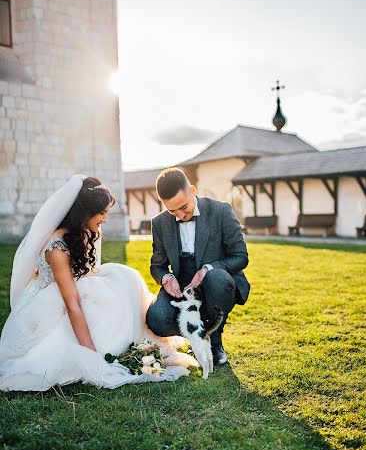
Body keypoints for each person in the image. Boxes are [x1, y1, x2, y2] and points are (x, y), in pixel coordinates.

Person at [0, 175, 192, 392]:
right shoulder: (56, 249)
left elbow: (84, 275)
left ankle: (131, 336)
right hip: (52, 306)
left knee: (126, 278)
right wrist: (90, 354)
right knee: (105, 301)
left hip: (72, 290)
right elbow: (72, 304)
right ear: (84, 213)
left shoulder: (78, 232)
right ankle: (111, 344)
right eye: (102, 213)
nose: (106, 219)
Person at [146, 167, 250, 366]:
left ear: (193, 190)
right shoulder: (159, 223)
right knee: (157, 320)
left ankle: (215, 340)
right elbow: (157, 266)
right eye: (172, 210)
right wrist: (165, 278)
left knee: (217, 280)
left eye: (183, 207)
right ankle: (198, 336)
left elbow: (241, 257)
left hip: (215, 281)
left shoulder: (221, 210)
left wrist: (208, 269)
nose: (179, 215)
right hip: (183, 288)